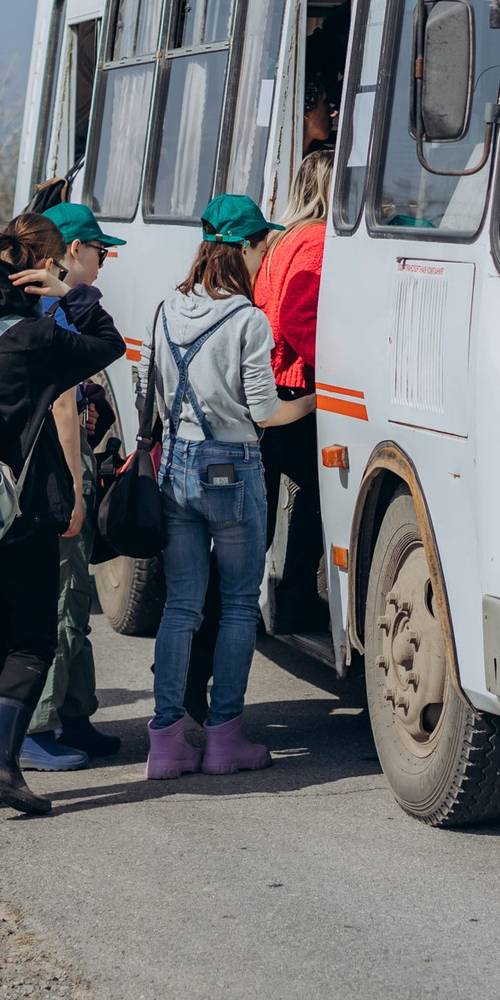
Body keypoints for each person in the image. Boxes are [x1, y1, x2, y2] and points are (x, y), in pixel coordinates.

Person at [0, 220, 123, 820]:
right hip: (22, 512)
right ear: (37, 268)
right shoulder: (36, 337)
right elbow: (108, 344)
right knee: (33, 640)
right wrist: (67, 295)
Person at [143, 194, 313, 782]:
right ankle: (223, 737)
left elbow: (153, 392)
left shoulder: (166, 308)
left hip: (176, 466)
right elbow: (264, 412)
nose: (266, 256)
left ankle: (165, 742)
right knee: (240, 603)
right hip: (233, 468)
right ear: (242, 248)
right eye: (262, 246)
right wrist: (315, 402)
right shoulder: (247, 319)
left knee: (182, 605)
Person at [28, 199, 129, 765]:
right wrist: (71, 484)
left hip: (70, 459)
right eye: (99, 250)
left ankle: (74, 713)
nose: (103, 261)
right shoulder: (57, 309)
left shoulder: (58, 306)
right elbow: (63, 404)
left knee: (78, 595)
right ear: (71, 251)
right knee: (62, 597)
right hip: (61, 464)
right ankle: (37, 727)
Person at [251, 150, 330, 653]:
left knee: (257, 512)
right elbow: (300, 319)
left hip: (266, 386)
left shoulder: (280, 240)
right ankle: (297, 596)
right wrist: (341, 368)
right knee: (319, 494)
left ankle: (237, 607)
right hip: (297, 389)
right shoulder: (319, 239)